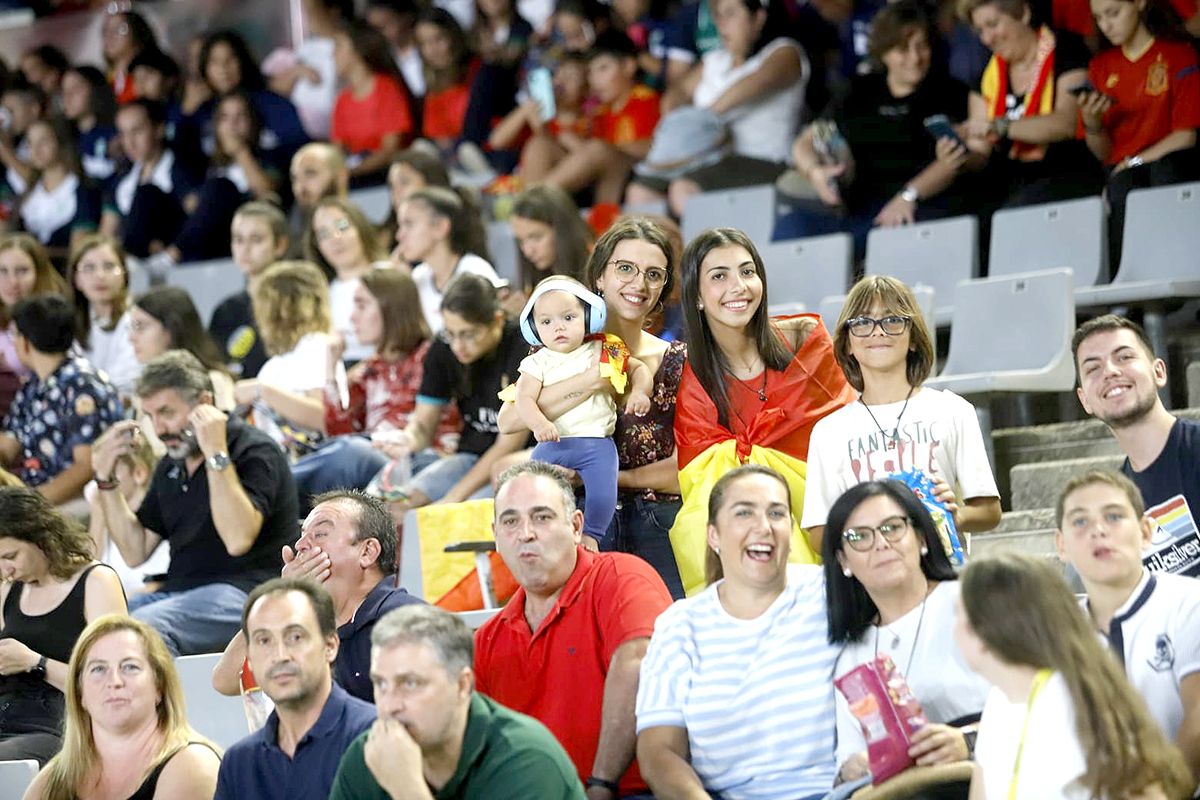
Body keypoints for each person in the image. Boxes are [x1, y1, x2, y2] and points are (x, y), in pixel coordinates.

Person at [499, 218, 689, 598]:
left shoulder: (678, 361)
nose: (639, 284)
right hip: (574, 525)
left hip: (656, 525)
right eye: (625, 269)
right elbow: (510, 420)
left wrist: (601, 477)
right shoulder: (555, 347)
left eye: (654, 274)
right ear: (599, 277)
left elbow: (690, 470)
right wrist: (589, 381)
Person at [636, 465, 840, 798]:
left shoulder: (832, 594)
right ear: (713, 535)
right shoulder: (680, 625)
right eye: (744, 513)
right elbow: (659, 753)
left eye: (777, 513)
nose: (763, 527)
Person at [671, 227, 855, 595]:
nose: (738, 286)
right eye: (719, 276)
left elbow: (847, 436)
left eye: (747, 271)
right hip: (751, 535)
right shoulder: (687, 378)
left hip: (830, 518)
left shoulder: (804, 345)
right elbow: (696, 474)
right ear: (696, 297)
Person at [475, 462, 673, 797]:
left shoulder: (620, 576)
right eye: (511, 521)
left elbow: (638, 663)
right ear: (495, 535)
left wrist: (601, 784)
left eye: (542, 516)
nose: (526, 533)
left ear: (577, 526)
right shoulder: (488, 638)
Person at [91, 350, 299, 655]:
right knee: (97, 623)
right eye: (150, 416)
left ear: (204, 404)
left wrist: (215, 450)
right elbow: (135, 551)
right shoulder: (170, 466)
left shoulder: (254, 450)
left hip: (249, 593)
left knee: (144, 627)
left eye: (167, 413)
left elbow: (238, 539)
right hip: (179, 593)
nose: (159, 429)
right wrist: (106, 481)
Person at [956, 551, 1193, 799]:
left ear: (986, 630)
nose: (953, 629)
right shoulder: (1001, 699)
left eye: (959, 616)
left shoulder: (1073, 703)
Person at [802, 275, 1001, 549]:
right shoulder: (828, 432)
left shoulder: (953, 411)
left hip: (942, 577)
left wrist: (957, 516)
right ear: (847, 343)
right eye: (862, 323)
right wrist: (867, 529)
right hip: (868, 581)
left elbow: (990, 511)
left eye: (892, 320)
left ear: (914, 339)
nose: (878, 331)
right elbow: (818, 534)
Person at [823, 480, 991, 789]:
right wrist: (856, 767)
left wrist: (967, 741)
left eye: (892, 528)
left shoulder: (975, 601)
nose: (880, 544)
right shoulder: (852, 652)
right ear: (843, 561)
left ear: (922, 538)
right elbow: (848, 759)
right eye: (859, 537)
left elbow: (1043, 701)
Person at [777, 1, 973, 257]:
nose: (915, 58)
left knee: (883, 236)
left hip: (921, 207)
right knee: (791, 226)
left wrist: (908, 196)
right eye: (903, 49)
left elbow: (954, 159)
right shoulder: (859, 90)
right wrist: (816, 172)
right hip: (859, 208)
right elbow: (806, 142)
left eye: (921, 46)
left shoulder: (948, 92)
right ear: (884, 52)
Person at [329, 604, 585, 799]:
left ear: (462, 685)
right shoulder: (370, 753)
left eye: (410, 683)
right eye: (381, 684)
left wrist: (408, 790)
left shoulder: (525, 760)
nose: (390, 705)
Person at [1055, 470, 1200, 782]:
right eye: (1079, 521)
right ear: (1061, 545)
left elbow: (1198, 723)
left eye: (1114, 516)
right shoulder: (1058, 634)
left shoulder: (1190, 602)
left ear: (1145, 532)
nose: (1097, 530)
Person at [213, 490, 423, 704]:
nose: (300, 545)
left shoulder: (409, 621)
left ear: (367, 552)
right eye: (302, 534)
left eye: (320, 534)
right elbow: (227, 680)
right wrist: (281, 594)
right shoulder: (305, 627)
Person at [291, 270, 461, 503]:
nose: (352, 318)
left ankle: (272, 491)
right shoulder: (370, 369)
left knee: (353, 453)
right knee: (348, 451)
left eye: (361, 306)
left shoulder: (432, 357)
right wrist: (331, 367)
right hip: (378, 461)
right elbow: (338, 431)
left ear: (391, 308)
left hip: (422, 463)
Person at [626, 0, 807, 218]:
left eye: (730, 14)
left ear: (758, 18)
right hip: (703, 159)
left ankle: (710, 252)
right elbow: (678, 93)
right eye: (718, 16)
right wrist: (679, 122)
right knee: (640, 191)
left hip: (764, 161)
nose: (721, 24)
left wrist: (702, 119)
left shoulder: (785, 51)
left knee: (684, 191)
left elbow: (757, 82)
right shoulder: (714, 59)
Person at [510, 278, 653, 545]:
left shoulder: (604, 347)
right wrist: (539, 424)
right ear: (534, 328)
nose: (559, 327)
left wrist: (640, 391)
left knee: (603, 493)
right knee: (531, 487)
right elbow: (523, 399)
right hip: (553, 442)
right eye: (547, 322)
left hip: (597, 444)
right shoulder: (535, 362)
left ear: (588, 316)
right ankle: (534, 536)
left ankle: (592, 536)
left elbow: (638, 369)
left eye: (568, 317)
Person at [377, 274, 530, 515]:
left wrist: (451, 500)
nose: (458, 345)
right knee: (399, 505)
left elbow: (508, 445)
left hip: (517, 462)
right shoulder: (443, 347)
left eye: (468, 334)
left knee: (460, 515)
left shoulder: (523, 349)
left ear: (497, 320)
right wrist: (407, 439)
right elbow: (423, 427)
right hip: (468, 457)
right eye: (451, 333)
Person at [23, 614, 221, 799]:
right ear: (80, 693)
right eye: (99, 669)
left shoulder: (192, 764)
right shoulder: (51, 780)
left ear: (159, 686)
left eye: (130, 667)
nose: (115, 681)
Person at [214, 578, 377, 800]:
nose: (280, 655)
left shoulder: (374, 735)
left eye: (295, 637)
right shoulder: (239, 763)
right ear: (249, 658)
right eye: (264, 641)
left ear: (330, 646)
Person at [0, 488, 127, 765]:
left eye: (10, 556)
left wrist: (36, 662)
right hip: (8, 715)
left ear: (40, 538)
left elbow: (115, 683)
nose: (5, 570)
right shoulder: (9, 590)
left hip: (62, 725)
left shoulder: (96, 582)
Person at [937, 0, 1103, 212]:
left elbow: (1067, 123)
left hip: (1066, 176)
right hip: (1008, 184)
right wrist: (959, 153)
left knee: (1016, 209)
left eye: (993, 24)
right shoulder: (985, 77)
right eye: (980, 30)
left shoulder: (1068, 50)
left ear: (1023, 14)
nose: (987, 38)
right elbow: (980, 151)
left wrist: (1000, 126)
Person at [1073, 314, 1200, 578]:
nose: (1110, 371)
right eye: (1093, 368)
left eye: (1124, 357)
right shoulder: (1117, 501)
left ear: (1158, 372)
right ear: (1085, 400)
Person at [1078, 0, 1200, 269]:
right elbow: (1104, 153)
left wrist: (1133, 162)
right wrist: (1092, 123)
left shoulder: (1179, 54)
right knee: (1121, 184)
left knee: (1161, 172)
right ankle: (1129, 284)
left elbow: (1186, 137)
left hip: (1169, 166)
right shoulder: (1100, 66)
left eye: (1114, 13)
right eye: (1099, 18)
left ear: (1139, 3)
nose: (1106, 25)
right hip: (1121, 175)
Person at [1, 295, 123, 506]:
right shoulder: (33, 385)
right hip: (37, 497)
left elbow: (86, 466)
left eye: (15, 335)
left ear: (26, 343)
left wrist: (33, 505)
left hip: (80, 501)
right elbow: (7, 447)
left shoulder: (84, 385)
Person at [237, 260, 347, 459]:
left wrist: (261, 390)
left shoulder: (316, 345)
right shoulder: (276, 363)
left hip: (305, 460)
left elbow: (323, 417)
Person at [542, 31, 661, 205]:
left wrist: (602, 150)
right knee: (541, 145)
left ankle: (532, 203)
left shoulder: (645, 101)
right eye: (590, 73)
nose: (595, 80)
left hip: (634, 178)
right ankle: (526, 209)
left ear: (628, 66)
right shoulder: (598, 113)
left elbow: (651, 146)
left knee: (598, 149)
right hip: (596, 181)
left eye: (603, 69)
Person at [100, 99, 198, 261]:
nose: (129, 142)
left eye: (137, 131)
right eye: (123, 134)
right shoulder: (121, 181)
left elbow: (194, 216)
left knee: (147, 193)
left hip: (176, 255)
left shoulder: (183, 169)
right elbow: (106, 234)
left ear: (159, 129)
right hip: (134, 258)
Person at [396, 187, 500, 334]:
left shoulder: (474, 270)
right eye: (400, 225)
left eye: (409, 224)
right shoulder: (418, 276)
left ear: (440, 227)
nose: (400, 235)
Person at [209, 201, 289, 380]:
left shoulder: (295, 304)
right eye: (238, 239)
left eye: (256, 239)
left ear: (280, 245)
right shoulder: (224, 311)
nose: (245, 249)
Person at [331, 18, 416, 186]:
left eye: (338, 46)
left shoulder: (387, 90)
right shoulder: (342, 100)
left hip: (387, 176)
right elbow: (336, 152)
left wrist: (351, 172)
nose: (332, 54)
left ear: (357, 49)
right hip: (355, 175)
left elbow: (390, 151)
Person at [304, 197, 388, 364]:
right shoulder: (320, 296)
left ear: (360, 228)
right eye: (324, 234)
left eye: (343, 226)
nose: (336, 238)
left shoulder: (390, 274)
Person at [86, 432, 170, 597]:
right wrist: (98, 511)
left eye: (108, 472)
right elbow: (89, 571)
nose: (98, 482)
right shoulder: (108, 523)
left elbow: (158, 585)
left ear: (138, 474)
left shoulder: (156, 521)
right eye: (97, 474)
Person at [487, 52, 591, 185]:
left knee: (539, 145)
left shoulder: (589, 121)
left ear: (587, 89)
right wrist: (525, 109)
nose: (561, 82)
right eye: (558, 75)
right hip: (524, 180)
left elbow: (589, 157)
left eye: (571, 77)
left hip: (565, 185)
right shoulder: (540, 114)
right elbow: (497, 141)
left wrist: (544, 132)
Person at [130, 287, 237, 411]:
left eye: (140, 326)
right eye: (132, 328)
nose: (131, 338)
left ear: (173, 328)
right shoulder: (143, 391)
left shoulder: (215, 382)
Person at [0, 235, 67, 418]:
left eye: (21, 271)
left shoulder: (55, 322)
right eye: (3, 271)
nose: (12, 281)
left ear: (39, 274)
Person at [67, 234, 141, 399]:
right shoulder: (70, 322)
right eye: (89, 268)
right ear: (76, 280)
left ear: (124, 274)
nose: (100, 275)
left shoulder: (137, 318)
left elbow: (128, 380)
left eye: (109, 266)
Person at [17, 116, 102, 255]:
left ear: (61, 142)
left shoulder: (84, 193)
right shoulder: (27, 194)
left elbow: (79, 251)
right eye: (30, 143)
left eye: (43, 141)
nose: (35, 150)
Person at [413, 9, 479, 154]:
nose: (433, 50)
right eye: (424, 43)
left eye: (438, 39)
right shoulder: (433, 89)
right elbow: (439, 137)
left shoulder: (479, 71)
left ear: (453, 37)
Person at [509, 184, 594, 297]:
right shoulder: (533, 286)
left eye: (536, 237)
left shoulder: (599, 275)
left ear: (563, 230)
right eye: (521, 241)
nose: (528, 252)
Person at [59, 65, 118, 184]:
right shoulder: (63, 139)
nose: (67, 97)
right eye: (64, 91)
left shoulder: (117, 130)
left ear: (95, 89)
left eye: (75, 89)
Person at [289, 142, 350, 242]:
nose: (300, 187)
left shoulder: (371, 233)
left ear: (341, 176)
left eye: (310, 174)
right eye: (295, 178)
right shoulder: (291, 239)